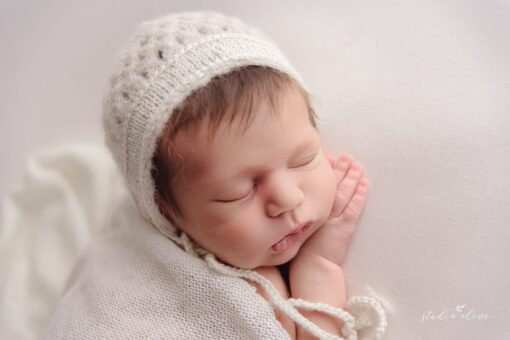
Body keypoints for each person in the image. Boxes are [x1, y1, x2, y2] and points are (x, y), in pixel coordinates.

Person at [42, 11, 388, 339]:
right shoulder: (236, 293)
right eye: (237, 193)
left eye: (303, 158)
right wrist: (319, 266)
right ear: (165, 211)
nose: (288, 199)